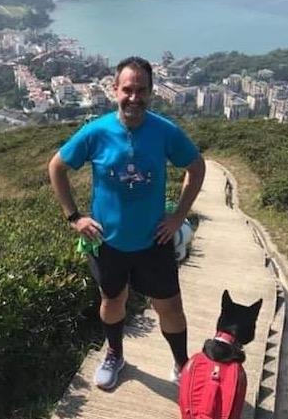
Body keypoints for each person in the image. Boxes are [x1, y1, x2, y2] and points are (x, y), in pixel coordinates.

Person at [48, 56, 206, 390]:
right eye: (128, 90)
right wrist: (74, 217)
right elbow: (57, 167)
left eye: (142, 91)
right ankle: (115, 355)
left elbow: (196, 165)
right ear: (114, 90)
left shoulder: (165, 131)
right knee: (112, 301)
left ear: (151, 93)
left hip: (154, 241)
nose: (134, 98)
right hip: (108, 242)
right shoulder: (96, 132)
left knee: (170, 307)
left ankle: (182, 364)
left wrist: (178, 216)